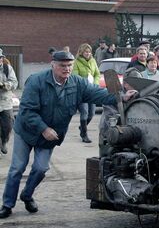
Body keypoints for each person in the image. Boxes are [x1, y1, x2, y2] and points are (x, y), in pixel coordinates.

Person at [0, 51, 136, 218]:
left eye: (69, 65)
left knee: (41, 168)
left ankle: (27, 195)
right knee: (17, 168)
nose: (66, 69)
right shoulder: (37, 81)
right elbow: (27, 111)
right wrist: (43, 128)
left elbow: (97, 93)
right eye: (62, 65)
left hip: (50, 135)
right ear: (53, 65)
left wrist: (122, 97)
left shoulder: (77, 83)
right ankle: (7, 204)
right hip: (27, 130)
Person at [73, 43, 101, 143]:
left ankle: (82, 127)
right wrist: (85, 81)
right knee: (84, 112)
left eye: (89, 52)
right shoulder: (76, 62)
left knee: (92, 114)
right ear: (81, 52)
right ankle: (84, 134)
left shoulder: (93, 61)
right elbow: (75, 76)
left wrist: (96, 83)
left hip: (92, 90)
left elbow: (97, 74)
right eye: (86, 52)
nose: (88, 53)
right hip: (82, 91)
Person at [0, 49, 18, 155]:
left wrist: (4, 85)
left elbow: (14, 83)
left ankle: (4, 142)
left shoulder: (7, 68)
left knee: (8, 125)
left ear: (2, 58)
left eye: (0, 58)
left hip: (5, 102)